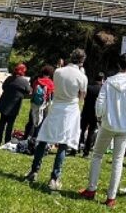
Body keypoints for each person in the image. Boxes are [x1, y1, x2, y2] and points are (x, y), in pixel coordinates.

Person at [80, 53, 126, 208]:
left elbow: (100, 102)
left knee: (97, 155)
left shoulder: (109, 83)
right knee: (117, 160)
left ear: (118, 65)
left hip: (107, 124)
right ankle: (111, 197)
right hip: (125, 127)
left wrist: (100, 117)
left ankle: (91, 189)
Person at [27, 49, 87, 190]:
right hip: (70, 109)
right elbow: (82, 95)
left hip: (56, 106)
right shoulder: (81, 76)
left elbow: (55, 88)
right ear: (82, 61)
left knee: (44, 138)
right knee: (63, 143)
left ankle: (34, 170)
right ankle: (54, 178)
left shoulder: (58, 72)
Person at [0, 63, 31, 146]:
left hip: (4, 102)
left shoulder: (9, 78)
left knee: (1, 123)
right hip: (14, 105)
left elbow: (3, 87)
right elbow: (29, 91)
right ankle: (7, 142)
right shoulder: (24, 81)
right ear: (23, 71)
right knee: (10, 124)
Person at [24, 65, 55, 138]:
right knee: (41, 121)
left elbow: (33, 91)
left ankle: (26, 136)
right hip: (44, 105)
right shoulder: (51, 83)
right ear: (50, 73)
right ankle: (35, 138)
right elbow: (51, 96)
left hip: (34, 104)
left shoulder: (37, 81)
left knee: (31, 121)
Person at [79, 71, 104, 156]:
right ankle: (86, 151)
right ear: (102, 80)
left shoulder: (88, 87)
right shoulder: (102, 90)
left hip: (85, 111)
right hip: (94, 114)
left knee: (81, 130)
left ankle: (76, 147)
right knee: (91, 132)